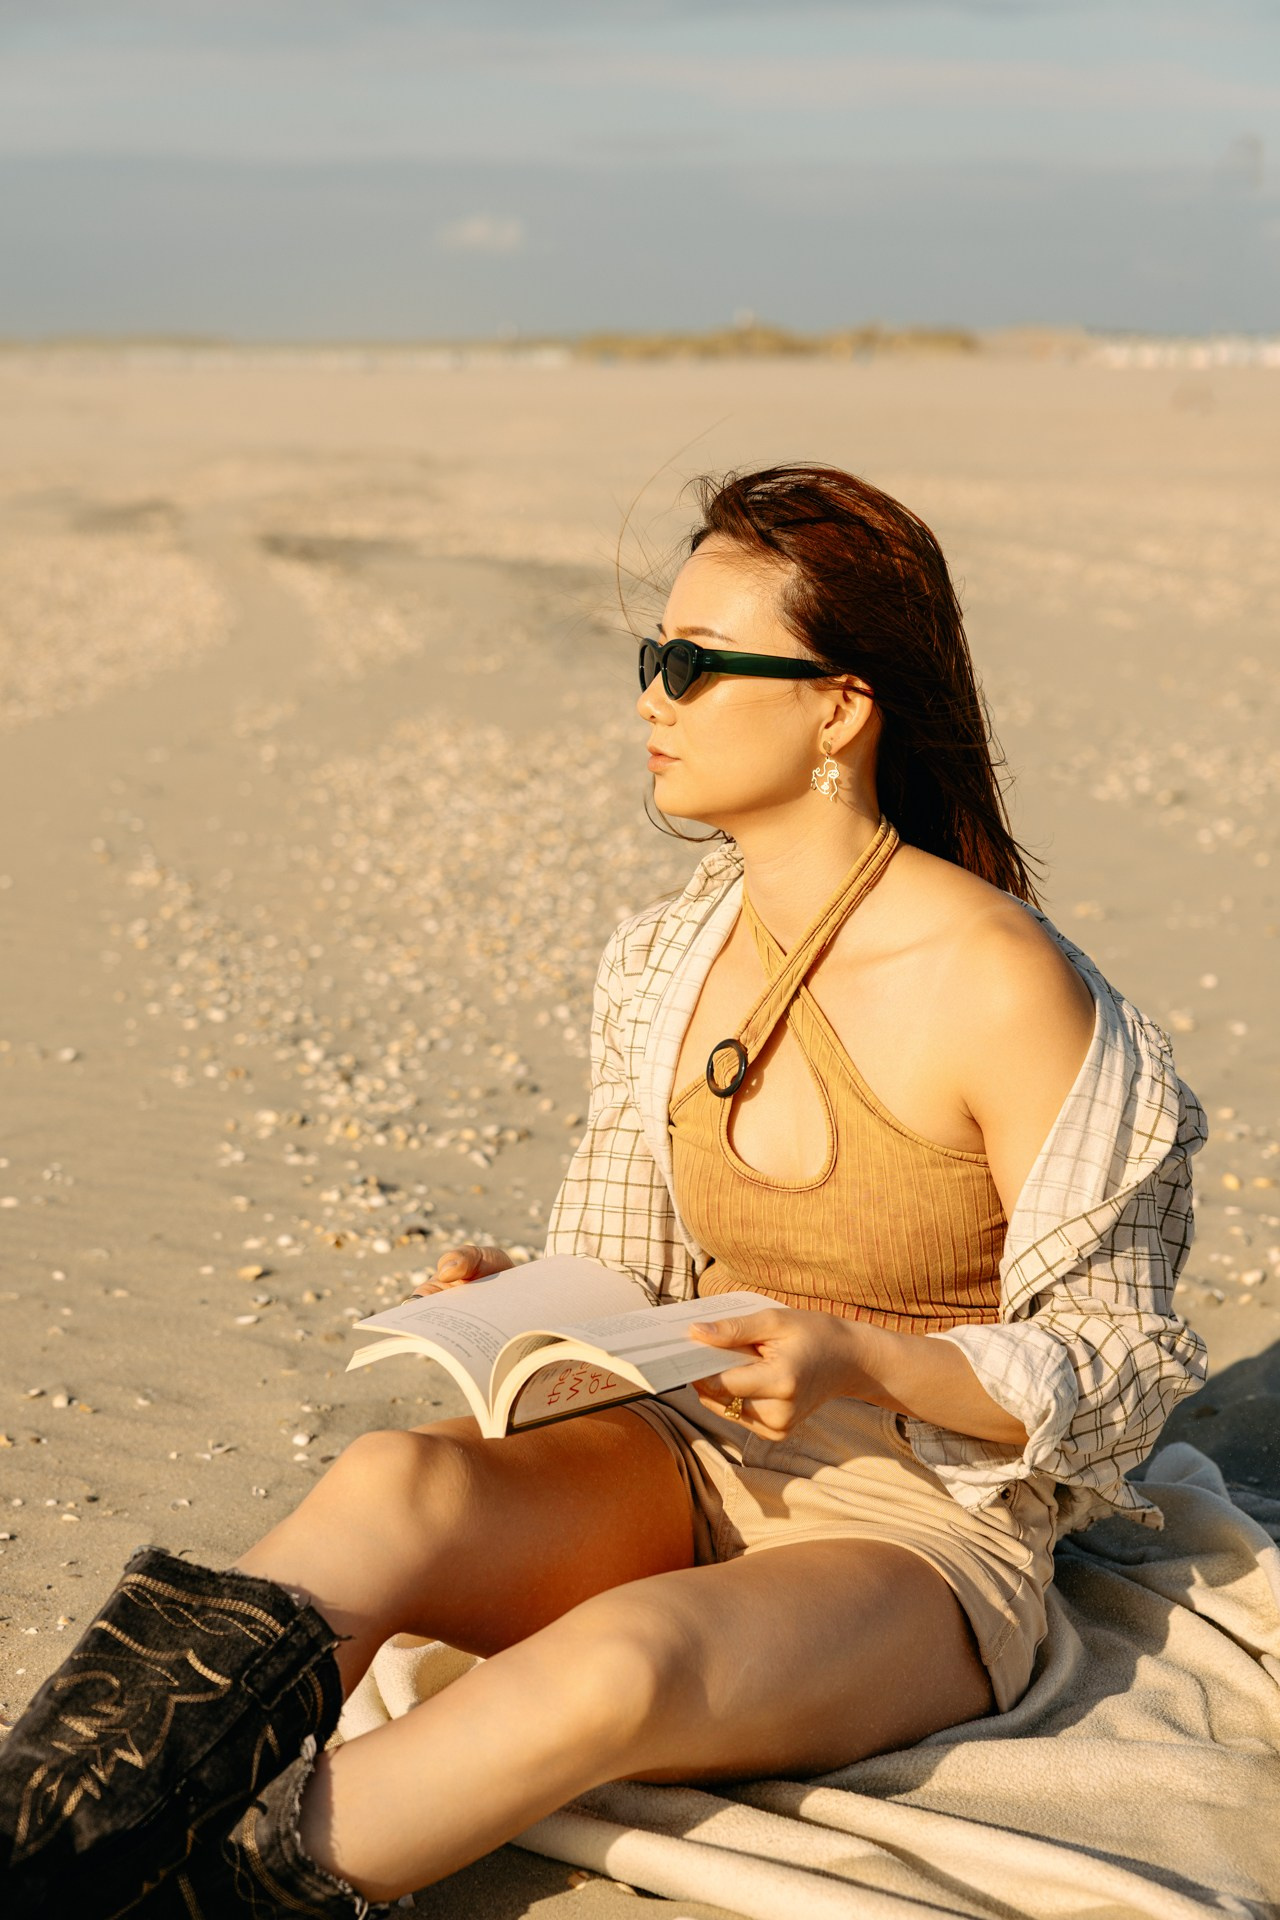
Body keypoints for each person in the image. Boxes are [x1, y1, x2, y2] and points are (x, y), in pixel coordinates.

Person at [0, 464, 1207, 1919]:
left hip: (919, 1527)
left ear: (840, 708)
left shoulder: (1006, 984)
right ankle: (34, 1854)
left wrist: (857, 1355)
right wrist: (530, 1302)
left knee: (620, 1662)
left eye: (695, 665)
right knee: (393, 1478)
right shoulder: (662, 964)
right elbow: (624, 1273)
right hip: (676, 1447)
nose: (653, 696)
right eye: (652, 656)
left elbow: (1121, 1373)